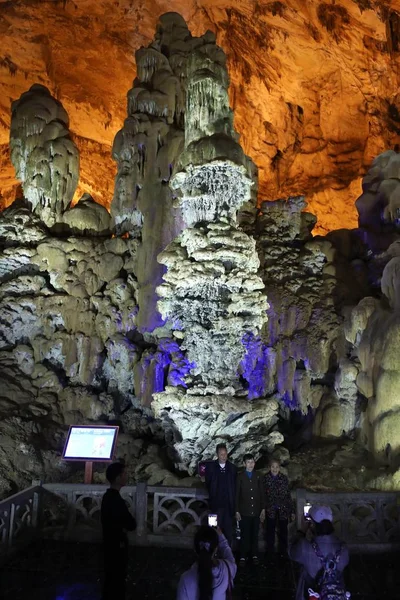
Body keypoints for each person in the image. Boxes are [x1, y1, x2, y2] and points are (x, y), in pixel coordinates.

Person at [289, 504, 349, 600]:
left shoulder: (304, 547)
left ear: (312, 524)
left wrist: (302, 532)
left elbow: (291, 551)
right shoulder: (343, 549)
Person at [101, 462, 136, 600]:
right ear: (117, 478)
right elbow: (130, 524)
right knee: (117, 579)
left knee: (110, 577)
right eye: (123, 474)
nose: (126, 476)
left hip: (108, 543)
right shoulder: (116, 500)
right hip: (117, 545)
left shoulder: (107, 497)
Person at [177, 525, 237, 600]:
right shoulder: (227, 569)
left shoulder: (185, 579)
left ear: (195, 550)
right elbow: (230, 558)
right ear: (216, 549)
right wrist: (221, 537)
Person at [235, 453, 265, 566]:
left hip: (256, 510)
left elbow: (262, 493)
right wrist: (236, 510)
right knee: (244, 534)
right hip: (244, 511)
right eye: (248, 462)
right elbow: (237, 495)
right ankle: (243, 555)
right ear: (244, 464)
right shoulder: (240, 476)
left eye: (252, 462)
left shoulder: (258, 476)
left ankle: (254, 554)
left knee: (254, 534)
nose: (250, 464)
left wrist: (263, 508)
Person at [205, 443, 237, 544]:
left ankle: (228, 555)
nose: (224, 456)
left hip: (228, 507)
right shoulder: (210, 468)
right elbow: (208, 483)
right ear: (217, 455)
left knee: (228, 532)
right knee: (212, 530)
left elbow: (234, 486)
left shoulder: (232, 468)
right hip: (214, 506)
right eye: (221, 454)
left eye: (225, 454)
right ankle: (212, 555)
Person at [264, 458, 295, 557]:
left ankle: (283, 552)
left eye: (277, 467)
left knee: (283, 531)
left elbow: (287, 495)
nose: (275, 469)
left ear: (279, 468)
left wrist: (292, 511)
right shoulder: (265, 478)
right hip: (270, 509)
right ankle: (270, 552)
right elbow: (263, 495)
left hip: (283, 509)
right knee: (270, 531)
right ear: (270, 467)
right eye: (273, 467)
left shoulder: (284, 478)